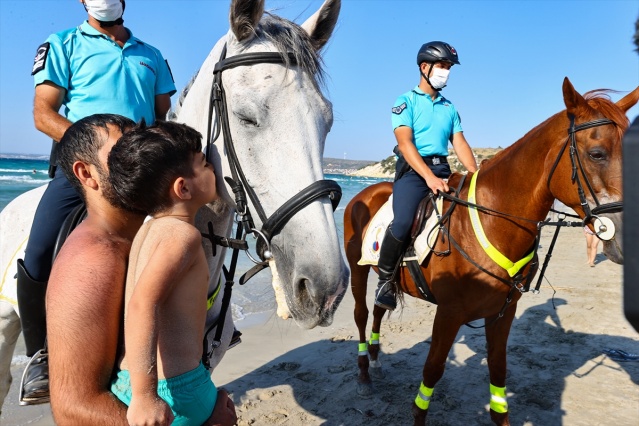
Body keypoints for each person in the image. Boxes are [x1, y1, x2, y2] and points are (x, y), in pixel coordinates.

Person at [18, 0, 176, 403]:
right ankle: (41, 355)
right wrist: (97, 150)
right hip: (82, 168)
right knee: (39, 248)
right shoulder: (63, 44)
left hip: (140, 170)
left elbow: (161, 116)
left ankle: (204, 321)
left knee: (192, 233)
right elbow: (43, 114)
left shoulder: (152, 55)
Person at [47, 114, 237, 425]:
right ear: (87, 173)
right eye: (122, 147)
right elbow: (73, 407)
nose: (136, 151)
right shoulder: (92, 262)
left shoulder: (149, 230)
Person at [106, 120, 231, 425]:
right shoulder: (183, 236)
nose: (213, 169)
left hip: (130, 378)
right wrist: (146, 396)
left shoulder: (149, 230)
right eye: (204, 164)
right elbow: (141, 304)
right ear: (183, 187)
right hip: (177, 389)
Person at [374, 41, 478, 311]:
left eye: (448, 67)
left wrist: (476, 175)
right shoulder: (404, 102)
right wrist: (429, 179)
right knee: (403, 221)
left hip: (443, 169)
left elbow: (461, 144)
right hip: (414, 173)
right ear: (424, 67)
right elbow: (406, 144)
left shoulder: (449, 107)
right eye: (442, 66)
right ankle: (385, 280)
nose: (446, 72)